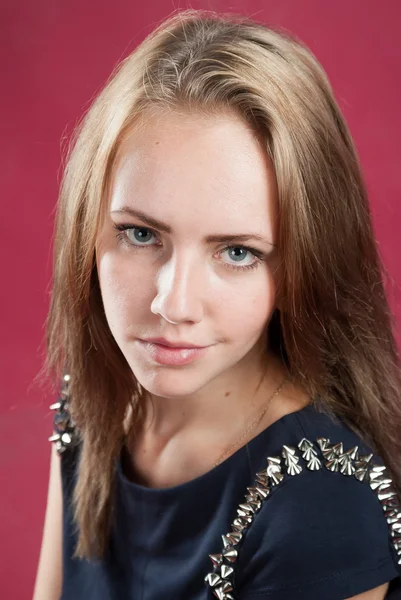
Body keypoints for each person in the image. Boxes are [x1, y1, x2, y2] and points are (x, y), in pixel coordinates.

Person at [33, 8, 401, 600]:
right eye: (140, 234)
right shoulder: (93, 399)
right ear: (87, 227)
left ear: (304, 263)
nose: (172, 304)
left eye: (236, 252)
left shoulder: (319, 507)